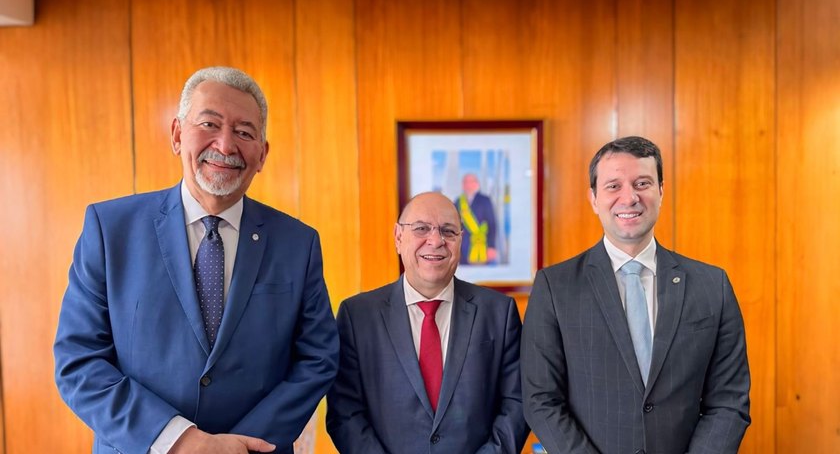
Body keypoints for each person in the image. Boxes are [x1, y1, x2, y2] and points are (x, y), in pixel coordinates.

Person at [54, 66, 339, 454]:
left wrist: (237, 448)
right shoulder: (110, 229)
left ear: (262, 154)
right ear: (176, 135)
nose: (225, 145)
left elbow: (318, 358)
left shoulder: (298, 243)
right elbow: (79, 361)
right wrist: (180, 440)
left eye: (244, 132)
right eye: (209, 124)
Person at [521, 136, 750, 454]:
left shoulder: (712, 285)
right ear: (593, 198)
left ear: (661, 191)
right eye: (613, 186)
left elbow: (729, 398)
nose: (629, 198)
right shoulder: (554, 287)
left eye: (642, 183)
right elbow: (540, 399)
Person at [326, 192, 529, 453]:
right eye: (421, 228)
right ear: (398, 237)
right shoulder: (357, 316)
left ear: (460, 241)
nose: (436, 241)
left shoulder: (499, 312)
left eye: (448, 231)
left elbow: (516, 404)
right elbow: (345, 412)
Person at [455, 173, 498, 265]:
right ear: (462, 185)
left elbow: (492, 224)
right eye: (465, 182)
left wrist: (491, 246)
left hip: (482, 245)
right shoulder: (458, 201)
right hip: (462, 248)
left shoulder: (485, 200)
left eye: (471, 182)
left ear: (477, 184)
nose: (468, 184)